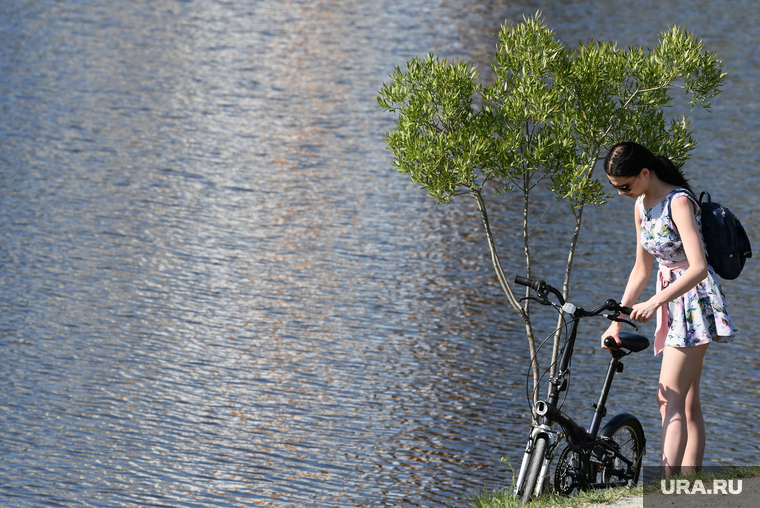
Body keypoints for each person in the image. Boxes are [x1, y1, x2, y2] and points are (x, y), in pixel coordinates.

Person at [600, 141, 736, 479]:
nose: (622, 194)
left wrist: (654, 302)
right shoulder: (642, 206)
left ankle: (665, 487)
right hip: (671, 302)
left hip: (694, 302)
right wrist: (616, 322)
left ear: (645, 173)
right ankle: (688, 485)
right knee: (687, 402)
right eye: (617, 188)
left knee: (669, 398)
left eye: (625, 186)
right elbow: (641, 270)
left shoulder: (679, 202)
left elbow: (698, 267)